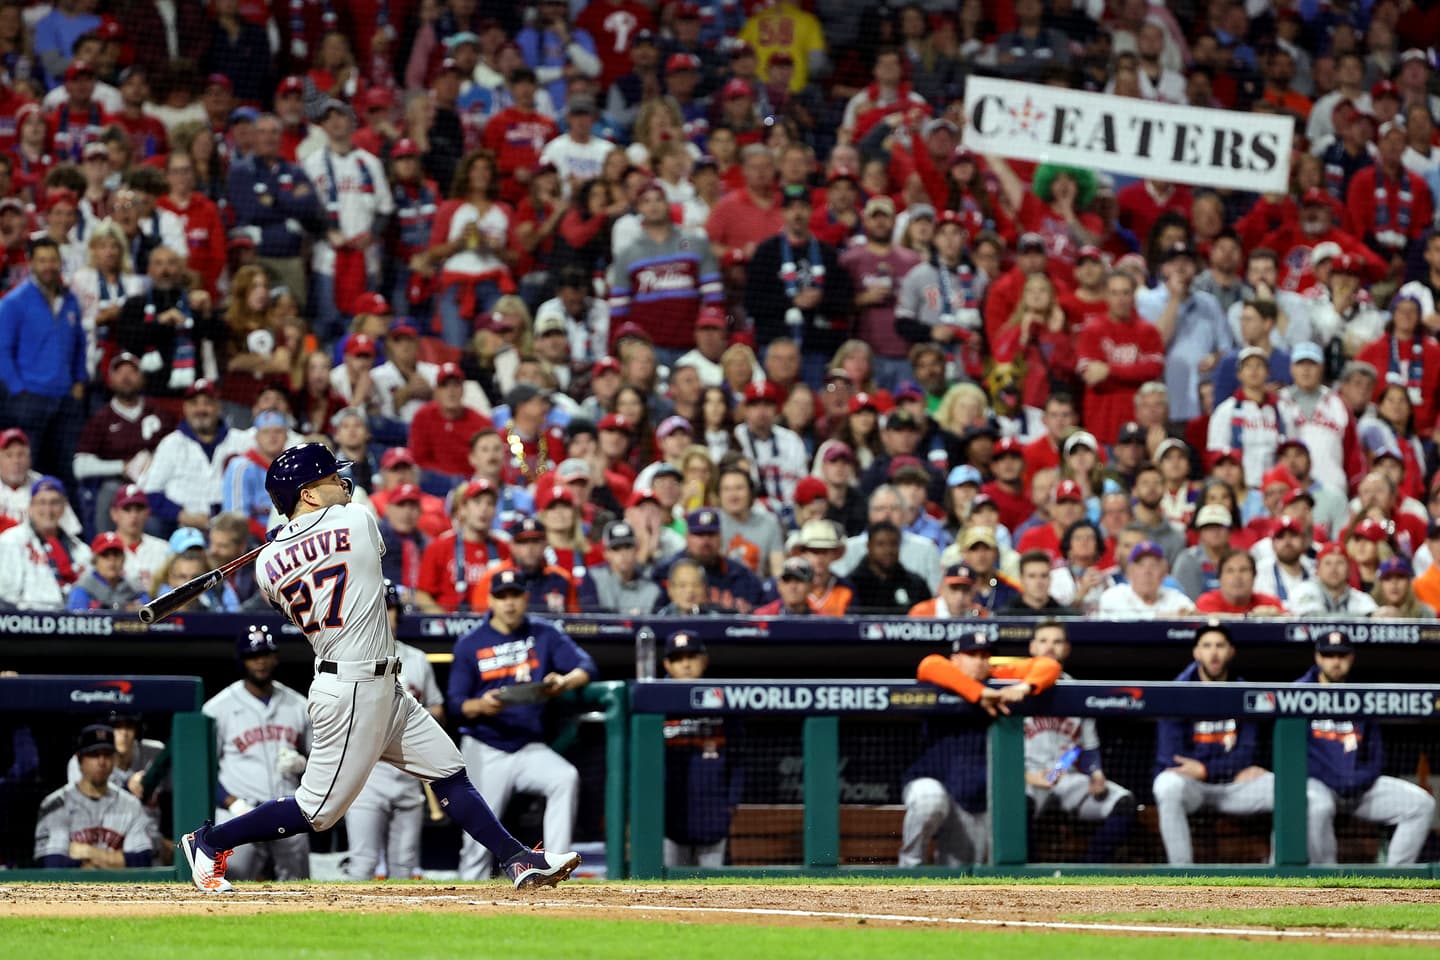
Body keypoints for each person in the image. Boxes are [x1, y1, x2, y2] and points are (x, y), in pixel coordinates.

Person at [179, 444, 582, 894]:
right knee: (317, 811)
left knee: (448, 769)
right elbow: (352, 539)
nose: (343, 484)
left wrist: (289, 538)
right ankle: (210, 841)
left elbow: (296, 579)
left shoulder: (267, 566)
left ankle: (517, 859)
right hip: (352, 687)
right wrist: (304, 533)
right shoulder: (357, 520)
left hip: (381, 682)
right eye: (331, 479)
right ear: (308, 494)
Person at [448, 566, 595, 881]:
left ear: (525, 598)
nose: (509, 603)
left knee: (564, 777)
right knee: (476, 839)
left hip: (528, 746)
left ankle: (554, 867)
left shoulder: (544, 632)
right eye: (502, 596)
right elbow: (456, 705)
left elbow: (586, 666)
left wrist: (564, 681)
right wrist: (483, 705)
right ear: (490, 600)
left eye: (515, 595)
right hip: (484, 746)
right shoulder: (470, 642)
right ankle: (466, 893)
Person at [900, 629, 1062, 866]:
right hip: (933, 782)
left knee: (961, 874)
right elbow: (929, 664)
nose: (980, 661)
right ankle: (907, 869)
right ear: (956, 659)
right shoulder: (942, 676)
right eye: (972, 655)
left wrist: (1024, 687)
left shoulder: (997, 678)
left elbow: (1048, 665)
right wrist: (980, 693)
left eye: (985, 656)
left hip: (974, 799)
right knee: (929, 801)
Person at [1299, 631, 1436, 866]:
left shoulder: (1362, 695)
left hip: (1359, 788)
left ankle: (1397, 880)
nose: (1335, 661)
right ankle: (1322, 881)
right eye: (1328, 655)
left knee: (1421, 804)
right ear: (1318, 658)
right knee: (1316, 807)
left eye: (1341, 655)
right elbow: (1294, 754)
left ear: (1351, 658)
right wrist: (1337, 779)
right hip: (1317, 785)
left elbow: (1376, 755)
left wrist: (1358, 780)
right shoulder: (1297, 692)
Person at [344, 580, 447, 881]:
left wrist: (413, 717)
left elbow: (438, 708)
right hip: (368, 772)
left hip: (408, 771)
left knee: (404, 867)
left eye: (388, 608)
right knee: (362, 864)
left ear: (397, 613)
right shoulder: (351, 658)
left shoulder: (417, 659)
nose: (384, 615)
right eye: (378, 609)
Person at [1151, 621, 1274, 865]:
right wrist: (1218, 769)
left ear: (1231, 651)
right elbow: (1172, 757)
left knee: (1284, 789)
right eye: (1207, 646)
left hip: (1233, 786)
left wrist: (1207, 769)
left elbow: (1247, 753)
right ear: (1196, 652)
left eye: (1220, 645)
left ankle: (1278, 873)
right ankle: (1181, 873)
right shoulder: (1176, 692)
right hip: (1192, 786)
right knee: (1166, 785)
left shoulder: (1244, 691)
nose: (1214, 652)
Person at [202, 625, 312, 881]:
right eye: (252, 656)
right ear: (242, 661)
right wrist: (229, 801)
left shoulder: (299, 705)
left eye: (264, 654)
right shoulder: (217, 708)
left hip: (289, 809)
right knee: (235, 883)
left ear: (275, 657)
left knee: (298, 887)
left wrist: (303, 764)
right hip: (239, 809)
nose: (260, 662)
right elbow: (204, 768)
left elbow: (321, 757)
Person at [1023, 621, 1136, 863]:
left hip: (1066, 777)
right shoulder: (1016, 689)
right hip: (1026, 778)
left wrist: (1095, 773)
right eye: (1043, 641)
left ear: (1067, 649)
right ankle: (1027, 875)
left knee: (1124, 804)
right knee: (1020, 805)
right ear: (1032, 647)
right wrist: (1025, 776)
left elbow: (1088, 747)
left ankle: (1087, 870)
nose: (1050, 647)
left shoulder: (1078, 691)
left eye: (1057, 641)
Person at [0, 237, 87, 484]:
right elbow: (2, 351)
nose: (48, 266)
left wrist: (79, 379)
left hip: (65, 400)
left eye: (52, 259)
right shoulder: (13, 302)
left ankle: (69, 522)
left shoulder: (69, 300)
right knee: (29, 468)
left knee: (67, 468)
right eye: (42, 260)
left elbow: (80, 342)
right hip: (28, 400)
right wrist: (18, 390)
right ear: (31, 263)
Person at [660, 629, 741, 867]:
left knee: (716, 890)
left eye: (691, 657)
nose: (685, 664)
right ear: (667, 664)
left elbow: (738, 759)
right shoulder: (655, 705)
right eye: (678, 659)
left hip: (712, 813)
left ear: (704, 660)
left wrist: (731, 802)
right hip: (669, 816)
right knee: (667, 893)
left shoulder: (723, 702)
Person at [34, 725, 152, 868]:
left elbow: (142, 860)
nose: (101, 762)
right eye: (94, 754)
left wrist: (88, 852)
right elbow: (53, 863)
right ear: (79, 760)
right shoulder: (57, 803)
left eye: (107, 754)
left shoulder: (131, 805)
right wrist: (116, 862)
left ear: (114, 759)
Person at [414, 479, 509, 614]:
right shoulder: (438, 547)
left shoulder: (504, 548)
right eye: (477, 502)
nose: (484, 509)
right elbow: (422, 595)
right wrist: (446, 623)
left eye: (490, 503)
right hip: (449, 629)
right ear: (463, 509)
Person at [0, 475, 91, 610]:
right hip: (26, 622)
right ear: (30, 507)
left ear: (64, 506)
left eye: (54, 503)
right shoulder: (11, 541)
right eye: (42, 502)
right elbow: (6, 595)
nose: (48, 510)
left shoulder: (81, 550)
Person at [577, 520, 662, 614]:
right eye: (616, 548)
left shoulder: (652, 587)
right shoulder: (593, 578)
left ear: (636, 550)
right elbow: (590, 618)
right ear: (606, 553)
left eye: (628, 547)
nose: (623, 554)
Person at [848, 520, 932, 614]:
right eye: (880, 544)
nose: (888, 550)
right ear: (869, 546)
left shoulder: (916, 584)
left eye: (893, 544)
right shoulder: (851, 585)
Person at [1289, 542, 1378, 617]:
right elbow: (1313, 618)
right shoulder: (1304, 591)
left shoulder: (1361, 599)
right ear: (1317, 570)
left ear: (1349, 570)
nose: (1333, 569)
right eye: (1328, 563)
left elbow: (1375, 617)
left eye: (1340, 563)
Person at [67, 531, 147, 611]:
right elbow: (76, 620)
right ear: (95, 560)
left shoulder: (135, 588)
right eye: (105, 555)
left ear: (123, 560)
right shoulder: (82, 588)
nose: (112, 561)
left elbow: (151, 617)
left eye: (116, 555)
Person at [1195, 549, 1287, 616]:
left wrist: (1278, 616)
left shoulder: (1270, 603)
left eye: (1243, 570)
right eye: (1230, 571)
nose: (1237, 576)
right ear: (1220, 577)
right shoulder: (1206, 602)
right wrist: (1253, 617)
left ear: (1254, 576)